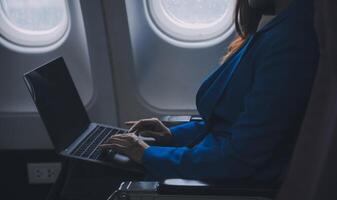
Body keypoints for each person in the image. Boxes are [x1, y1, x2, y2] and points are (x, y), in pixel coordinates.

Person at [100, 0, 319, 184]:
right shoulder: (275, 26)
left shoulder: (291, 41)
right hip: (216, 161)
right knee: (101, 164)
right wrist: (172, 135)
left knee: (97, 174)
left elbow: (239, 159)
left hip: (232, 183)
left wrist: (147, 154)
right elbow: (230, 122)